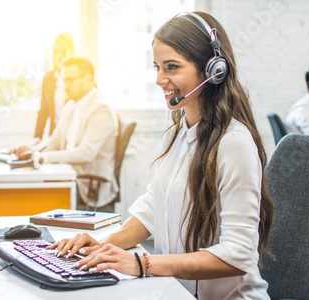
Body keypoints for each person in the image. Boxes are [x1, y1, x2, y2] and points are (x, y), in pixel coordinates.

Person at [48, 12, 275, 299]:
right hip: (176, 291)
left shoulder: (234, 143)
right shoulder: (177, 133)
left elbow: (239, 254)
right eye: (157, 67)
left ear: (213, 70)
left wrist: (143, 264)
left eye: (171, 67)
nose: (159, 79)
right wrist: (103, 243)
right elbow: (153, 207)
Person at [11, 57, 119, 211]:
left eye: (70, 80)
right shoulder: (70, 107)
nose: (65, 86)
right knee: (29, 191)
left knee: (35, 196)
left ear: (87, 79)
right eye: (64, 81)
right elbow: (55, 140)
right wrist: (33, 151)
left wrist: (42, 158)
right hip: (69, 177)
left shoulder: (101, 111)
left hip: (87, 187)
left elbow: (86, 153)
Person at [34, 32, 75, 142]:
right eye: (56, 51)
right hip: (54, 138)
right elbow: (43, 111)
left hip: (73, 138)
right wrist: (37, 138)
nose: (59, 56)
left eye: (63, 52)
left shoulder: (78, 78)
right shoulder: (48, 78)